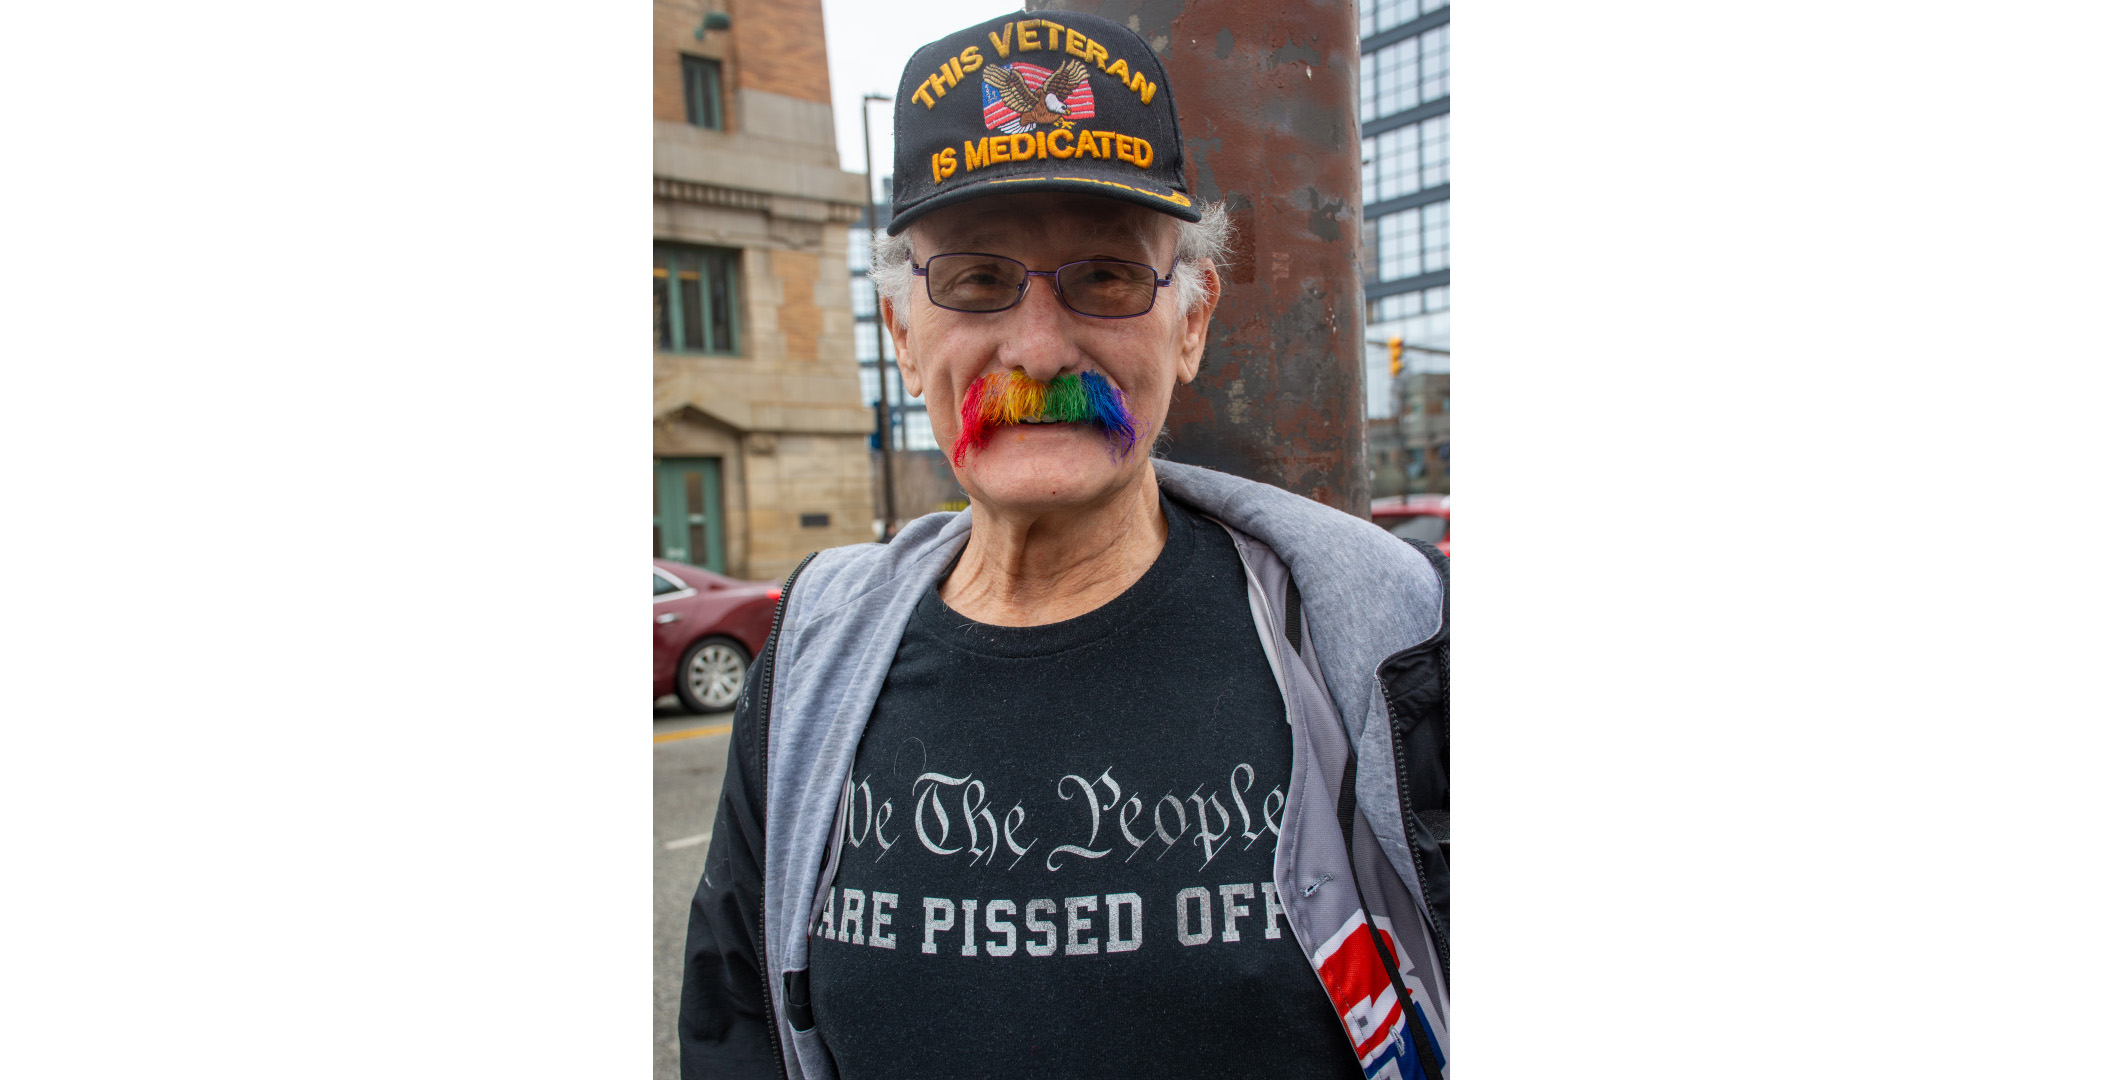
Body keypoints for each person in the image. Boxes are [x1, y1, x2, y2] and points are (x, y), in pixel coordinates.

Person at [679, 12, 1448, 1079]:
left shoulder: (1381, 632)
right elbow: (740, 1037)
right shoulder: (813, 651)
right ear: (904, 335)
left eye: (1106, 278)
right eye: (978, 282)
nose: (1038, 348)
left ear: (1190, 323)